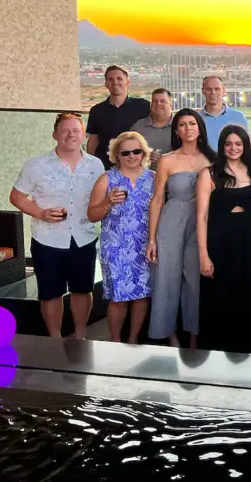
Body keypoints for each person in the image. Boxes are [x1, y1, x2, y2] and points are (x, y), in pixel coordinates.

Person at [10, 113, 104, 338]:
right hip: (47, 239)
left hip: (83, 236)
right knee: (50, 294)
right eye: (65, 130)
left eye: (75, 130)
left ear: (83, 134)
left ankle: (80, 336)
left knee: (83, 290)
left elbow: (101, 198)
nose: (71, 135)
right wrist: (41, 212)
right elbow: (17, 196)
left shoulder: (95, 164)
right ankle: (54, 341)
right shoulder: (36, 165)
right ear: (55, 134)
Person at [195, 125, 251, 355]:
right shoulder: (209, 173)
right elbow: (202, 216)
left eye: (238, 143)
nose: (233, 148)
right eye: (228, 144)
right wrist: (203, 255)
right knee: (219, 299)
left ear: (245, 145)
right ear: (222, 146)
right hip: (220, 244)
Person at [147, 108, 215, 348]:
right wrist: (152, 239)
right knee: (167, 278)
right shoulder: (167, 159)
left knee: (195, 281)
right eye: (183, 124)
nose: (188, 128)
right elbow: (157, 199)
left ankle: (195, 336)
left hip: (202, 225)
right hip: (172, 222)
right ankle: (170, 334)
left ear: (200, 128)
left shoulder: (212, 159)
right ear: (176, 130)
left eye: (192, 124)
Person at [87, 131, 154, 344]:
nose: (132, 156)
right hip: (116, 246)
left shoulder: (153, 179)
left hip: (145, 246)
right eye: (126, 152)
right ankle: (115, 340)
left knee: (142, 295)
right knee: (118, 297)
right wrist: (107, 202)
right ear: (117, 155)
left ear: (144, 153)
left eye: (136, 151)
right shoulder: (107, 179)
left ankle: (133, 339)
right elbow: (91, 215)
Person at [86, 65, 151, 169]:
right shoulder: (96, 111)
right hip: (106, 167)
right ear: (106, 84)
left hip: (136, 166)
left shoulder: (144, 106)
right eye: (110, 79)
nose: (115, 82)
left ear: (127, 82)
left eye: (119, 78)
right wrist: (90, 162)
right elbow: (93, 140)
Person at [199, 76, 248, 151]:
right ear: (203, 91)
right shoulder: (196, 119)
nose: (213, 92)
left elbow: (246, 145)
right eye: (209, 89)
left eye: (217, 89)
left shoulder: (238, 117)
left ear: (223, 91)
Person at [130, 88, 174, 169]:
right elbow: (128, 151)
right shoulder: (138, 127)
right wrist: (144, 155)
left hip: (173, 177)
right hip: (144, 177)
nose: (158, 104)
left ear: (171, 105)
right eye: (155, 101)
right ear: (150, 105)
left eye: (163, 101)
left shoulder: (180, 125)